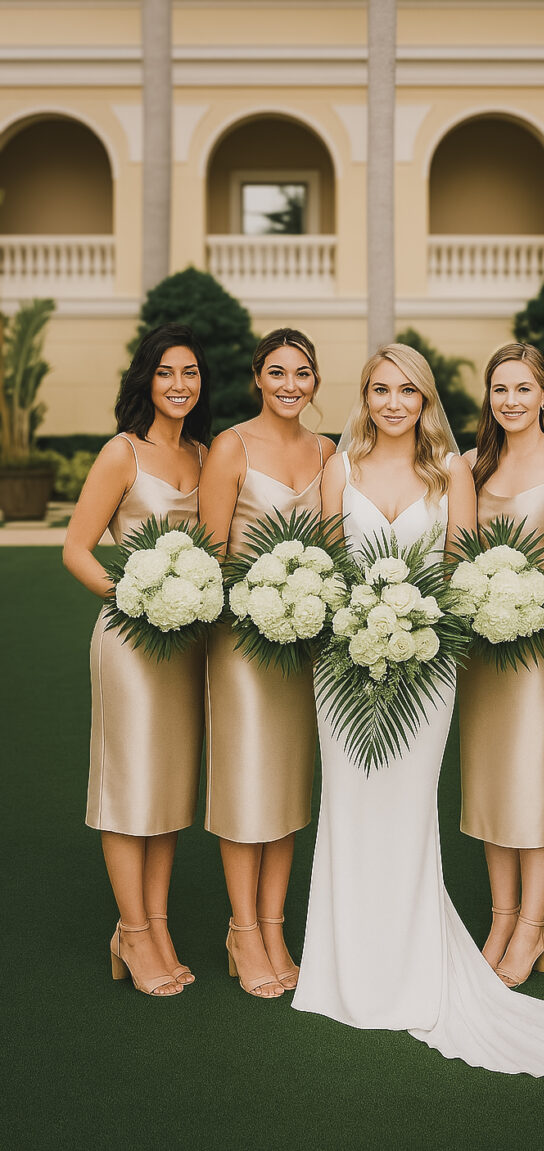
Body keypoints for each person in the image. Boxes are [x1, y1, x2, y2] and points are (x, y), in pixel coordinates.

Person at [293, 344, 544, 1076]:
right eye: (380, 390)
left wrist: (416, 623)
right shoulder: (340, 467)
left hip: (428, 663)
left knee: (408, 807)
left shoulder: (452, 472)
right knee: (348, 805)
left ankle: (424, 953)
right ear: (364, 397)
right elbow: (328, 565)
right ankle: (343, 963)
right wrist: (354, 623)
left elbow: (458, 567)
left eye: (408, 390)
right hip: (344, 664)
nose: (394, 402)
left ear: (426, 399)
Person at [63, 323, 210, 996]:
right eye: (166, 372)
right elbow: (76, 548)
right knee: (129, 785)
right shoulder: (121, 452)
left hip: (186, 642)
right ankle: (132, 929)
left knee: (169, 785)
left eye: (190, 372)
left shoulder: (205, 455)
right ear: (145, 380)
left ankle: (157, 924)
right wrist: (133, 597)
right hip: (129, 639)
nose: (179, 384)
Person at [199, 329, 335, 998]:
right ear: (257, 377)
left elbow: (336, 546)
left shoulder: (328, 451)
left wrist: (309, 600)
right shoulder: (231, 446)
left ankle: (276, 929)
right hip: (241, 642)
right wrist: (259, 598)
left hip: (304, 644)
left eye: (302, 372)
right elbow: (210, 553)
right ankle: (243, 929)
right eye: (277, 372)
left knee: (286, 785)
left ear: (315, 381)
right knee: (245, 784)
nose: (290, 384)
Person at [460, 343, 544, 988]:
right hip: (483, 652)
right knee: (490, 783)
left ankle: (534, 924)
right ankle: (502, 918)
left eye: (522, 389)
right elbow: (457, 554)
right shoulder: (471, 465)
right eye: (500, 390)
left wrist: (529, 603)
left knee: (532, 783)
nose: (510, 401)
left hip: (542, 653)